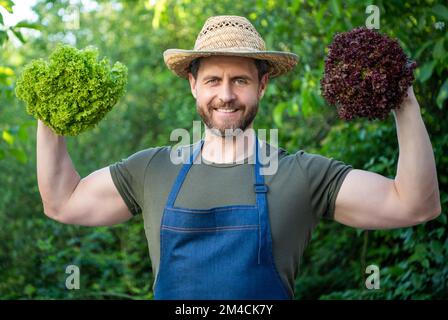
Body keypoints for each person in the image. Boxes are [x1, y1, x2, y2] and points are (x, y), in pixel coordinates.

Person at [37, 15, 441, 300]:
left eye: (241, 80)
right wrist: (50, 112)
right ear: (193, 85)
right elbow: (62, 201)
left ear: (262, 86)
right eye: (213, 79)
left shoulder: (303, 174)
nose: (226, 94)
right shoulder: (152, 169)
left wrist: (403, 102)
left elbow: (414, 204)